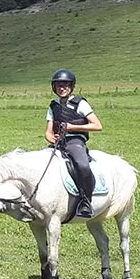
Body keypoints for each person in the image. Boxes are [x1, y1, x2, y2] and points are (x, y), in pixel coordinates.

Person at [45, 68, 102, 218]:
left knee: (82, 165)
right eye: (58, 85)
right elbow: (48, 132)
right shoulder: (53, 106)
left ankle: (85, 201)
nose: (62, 88)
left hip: (75, 140)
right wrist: (51, 138)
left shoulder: (80, 104)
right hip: (60, 142)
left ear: (71, 86)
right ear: (54, 87)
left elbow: (97, 125)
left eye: (65, 85)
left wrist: (72, 127)